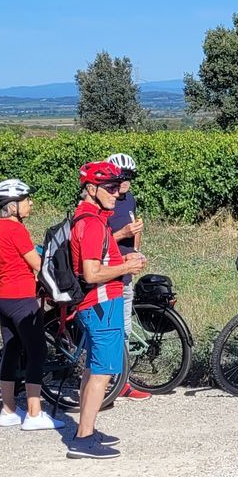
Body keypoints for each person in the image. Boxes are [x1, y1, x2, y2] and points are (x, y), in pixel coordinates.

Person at [63, 161, 146, 459]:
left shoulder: (90, 217)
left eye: (116, 187)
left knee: (92, 369)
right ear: (91, 189)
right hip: (101, 304)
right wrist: (128, 265)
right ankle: (83, 439)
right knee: (102, 372)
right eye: (109, 188)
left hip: (98, 304)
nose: (115, 193)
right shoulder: (93, 224)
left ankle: (85, 428)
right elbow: (91, 273)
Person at [0, 178, 60, 431]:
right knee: (37, 351)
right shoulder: (16, 230)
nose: (30, 203)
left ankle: (7, 410)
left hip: (1, 296)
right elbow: (37, 264)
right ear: (13, 205)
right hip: (20, 297)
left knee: (12, 349)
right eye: (26, 200)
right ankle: (34, 413)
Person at [104, 153, 152, 401]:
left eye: (129, 176)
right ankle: (113, 381)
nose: (124, 181)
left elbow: (134, 229)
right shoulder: (105, 203)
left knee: (123, 328)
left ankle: (118, 381)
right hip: (108, 274)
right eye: (120, 176)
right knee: (113, 330)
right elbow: (96, 243)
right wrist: (121, 234)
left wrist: (136, 252)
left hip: (126, 273)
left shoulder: (129, 199)